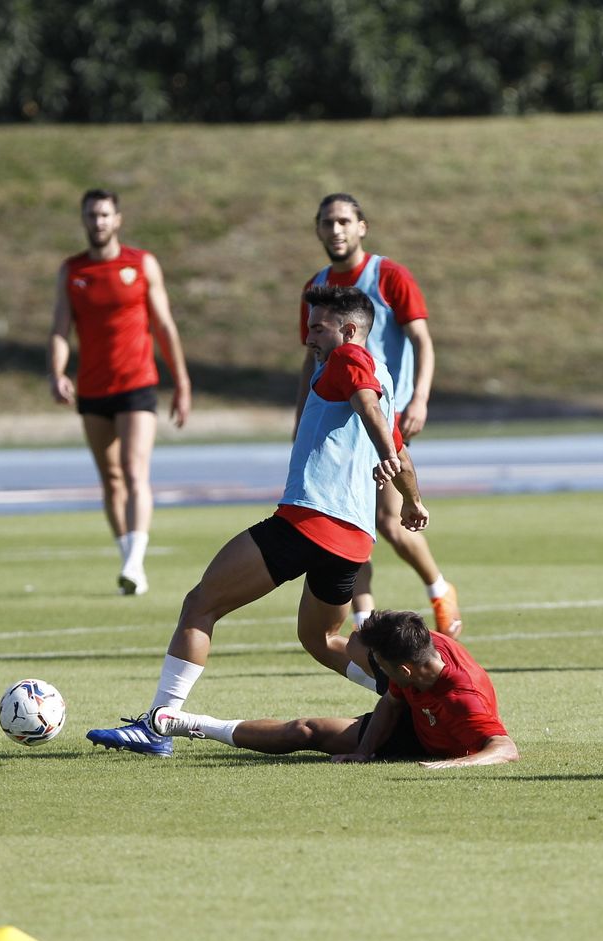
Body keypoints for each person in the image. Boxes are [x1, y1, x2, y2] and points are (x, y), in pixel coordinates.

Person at [87, 286, 428, 756]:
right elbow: (399, 449)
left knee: (201, 604)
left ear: (350, 330)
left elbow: (372, 417)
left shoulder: (348, 358)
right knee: (321, 638)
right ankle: (413, 699)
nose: (309, 337)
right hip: (352, 540)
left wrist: (386, 456)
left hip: (308, 520)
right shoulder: (383, 376)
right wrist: (412, 500)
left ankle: (157, 725)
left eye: (318, 327)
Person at [299, 193, 462, 637]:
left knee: (389, 521)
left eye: (344, 221)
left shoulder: (388, 276)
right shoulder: (317, 287)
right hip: (337, 425)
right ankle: (364, 625)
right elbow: (310, 358)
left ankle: (439, 588)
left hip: (383, 418)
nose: (336, 230)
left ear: (362, 227)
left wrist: (420, 399)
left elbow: (422, 340)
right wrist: (301, 422)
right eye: (327, 222)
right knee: (349, 520)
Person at [48, 188, 192, 595]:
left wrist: (181, 382)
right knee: (111, 479)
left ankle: (134, 563)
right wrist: (56, 372)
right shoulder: (72, 271)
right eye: (91, 215)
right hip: (93, 388)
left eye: (104, 215)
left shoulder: (141, 264)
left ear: (117, 219)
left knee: (132, 469)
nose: (98, 222)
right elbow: (60, 329)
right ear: (83, 220)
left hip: (137, 384)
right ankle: (128, 558)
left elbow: (164, 326)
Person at [150, 609, 518, 768]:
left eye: (380, 664)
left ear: (404, 669)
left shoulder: (463, 698)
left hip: (427, 741)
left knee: (306, 727)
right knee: (305, 728)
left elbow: (505, 749)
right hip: (410, 714)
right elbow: (392, 702)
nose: (376, 666)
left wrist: (453, 765)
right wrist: (363, 751)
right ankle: (186, 722)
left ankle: (193, 723)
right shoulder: (418, 650)